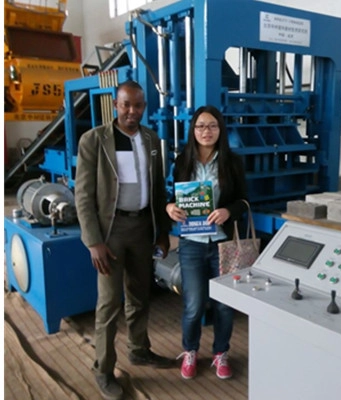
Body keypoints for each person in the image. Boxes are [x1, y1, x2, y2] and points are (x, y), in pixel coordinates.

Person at [75, 80, 172, 400]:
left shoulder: (151, 139)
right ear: (115, 105)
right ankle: (103, 369)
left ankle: (139, 350)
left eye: (138, 105)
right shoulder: (94, 140)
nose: (132, 111)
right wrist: (93, 242)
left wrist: (162, 232)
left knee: (140, 295)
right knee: (108, 303)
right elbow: (83, 196)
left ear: (144, 107)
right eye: (126, 104)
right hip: (111, 232)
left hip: (142, 227)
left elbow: (158, 188)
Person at [166, 105, 248, 380]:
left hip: (222, 244)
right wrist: (169, 207)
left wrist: (228, 211)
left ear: (220, 129)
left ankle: (220, 353)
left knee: (224, 305)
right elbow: (172, 197)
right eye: (200, 126)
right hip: (191, 243)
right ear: (193, 130)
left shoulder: (232, 162)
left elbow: (244, 201)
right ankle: (190, 351)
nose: (206, 131)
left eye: (212, 125)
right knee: (194, 305)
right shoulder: (182, 162)